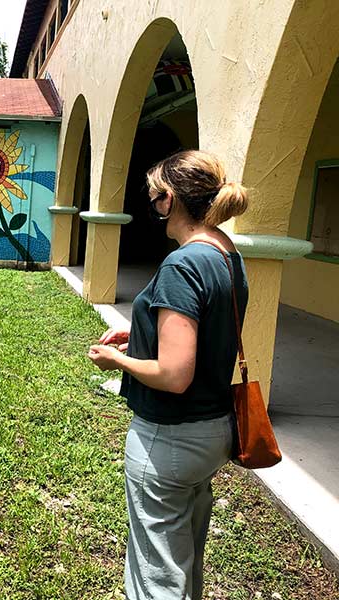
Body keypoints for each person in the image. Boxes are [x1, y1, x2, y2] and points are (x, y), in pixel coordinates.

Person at [87, 150, 249, 600]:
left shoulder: (182, 264)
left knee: (156, 574)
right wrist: (136, 332)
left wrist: (116, 361)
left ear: (170, 200)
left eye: (155, 196)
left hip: (170, 438)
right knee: (185, 560)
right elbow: (205, 326)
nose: (153, 207)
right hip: (213, 431)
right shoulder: (225, 253)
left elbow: (175, 374)